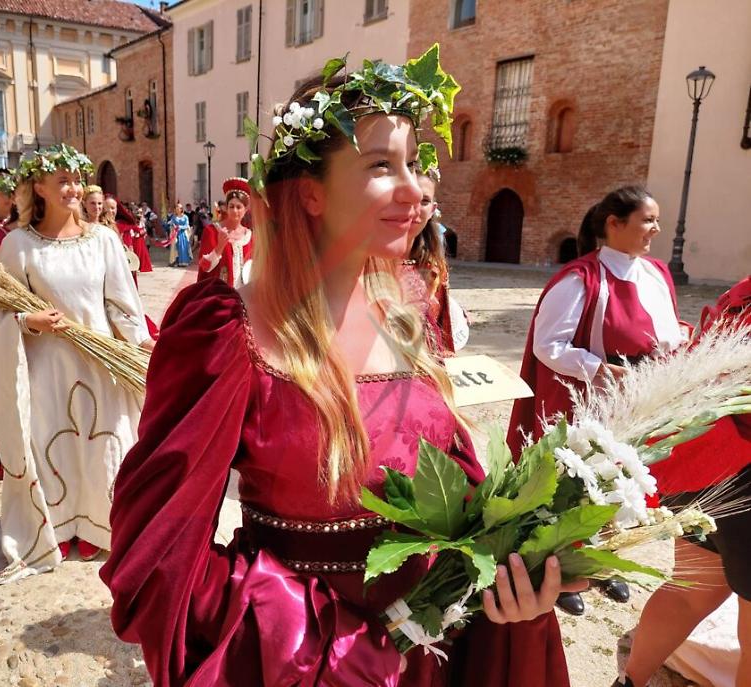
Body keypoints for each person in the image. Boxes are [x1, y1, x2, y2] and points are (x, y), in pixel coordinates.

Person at [102, 50, 583, 687]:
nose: (417, 190)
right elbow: (156, 545)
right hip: (309, 666)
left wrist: (514, 568)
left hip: (431, 649)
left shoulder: (410, 309)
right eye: (381, 166)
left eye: (414, 164)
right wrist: (296, 635)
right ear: (310, 193)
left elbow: (458, 483)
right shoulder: (225, 330)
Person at [0, 144, 154, 585]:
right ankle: (59, 525)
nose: (71, 188)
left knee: (105, 443)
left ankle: (99, 524)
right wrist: (28, 321)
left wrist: (142, 344)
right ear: (39, 187)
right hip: (47, 367)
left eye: (75, 179)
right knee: (55, 443)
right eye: (61, 179)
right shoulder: (18, 245)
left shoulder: (103, 239)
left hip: (101, 363)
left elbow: (123, 304)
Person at [508, 185, 688, 616]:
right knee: (570, 485)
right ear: (614, 223)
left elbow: (667, 328)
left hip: (639, 399)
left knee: (618, 482)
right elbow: (549, 345)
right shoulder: (580, 278)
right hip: (588, 401)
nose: (656, 229)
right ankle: (556, 570)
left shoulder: (657, 273)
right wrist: (603, 370)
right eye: (648, 220)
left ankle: (601, 566)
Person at [614, 276, 751, 687]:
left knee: (693, 589)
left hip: (697, 453)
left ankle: (628, 683)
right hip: (741, 467)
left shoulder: (742, 290)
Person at [403, 170, 469, 356]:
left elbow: (441, 324)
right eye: (407, 198)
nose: (414, 209)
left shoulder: (434, 264)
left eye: (424, 201)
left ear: (433, 209)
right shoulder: (367, 256)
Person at [196, 178, 254, 288]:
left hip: (244, 294)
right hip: (219, 294)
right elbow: (204, 267)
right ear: (226, 208)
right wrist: (219, 247)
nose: (235, 211)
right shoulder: (212, 231)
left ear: (245, 209)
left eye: (239, 207)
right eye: (231, 206)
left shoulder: (249, 236)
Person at [106, 195, 153, 274]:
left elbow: (128, 248)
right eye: (106, 208)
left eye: (112, 208)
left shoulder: (124, 225)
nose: (109, 211)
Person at [164, 203, 192, 267]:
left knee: (183, 247)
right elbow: (172, 224)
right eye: (176, 207)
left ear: (181, 209)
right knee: (176, 246)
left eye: (178, 207)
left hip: (183, 234)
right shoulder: (174, 217)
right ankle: (175, 261)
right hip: (176, 234)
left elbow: (186, 225)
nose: (177, 209)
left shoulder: (185, 217)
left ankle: (184, 261)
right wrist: (173, 226)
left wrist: (180, 227)